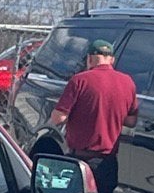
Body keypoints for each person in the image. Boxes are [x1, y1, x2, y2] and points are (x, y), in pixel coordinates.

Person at [49, 40, 138, 183]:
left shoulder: (80, 80)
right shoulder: (128, 82)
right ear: (112, 60)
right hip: (108, 161)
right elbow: (131, 121)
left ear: (89, 58)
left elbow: (58, 118)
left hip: (80, 159)